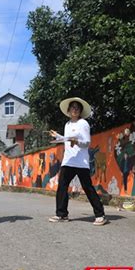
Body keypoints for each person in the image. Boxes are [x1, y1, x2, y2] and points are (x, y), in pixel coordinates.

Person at [48, 97, 107, 226]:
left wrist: (77, 141)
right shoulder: (67, 125)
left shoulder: (83, 124)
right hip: (68, 160)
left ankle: (100, 214)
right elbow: (66, 140)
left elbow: (86, 143)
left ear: (80, 111)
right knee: (62, 187)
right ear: (68, 110)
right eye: (72, 107)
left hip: (81, 161)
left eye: (77, 108)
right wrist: (58, 136)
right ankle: (61, 214)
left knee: (87, 187)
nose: (75, 110)